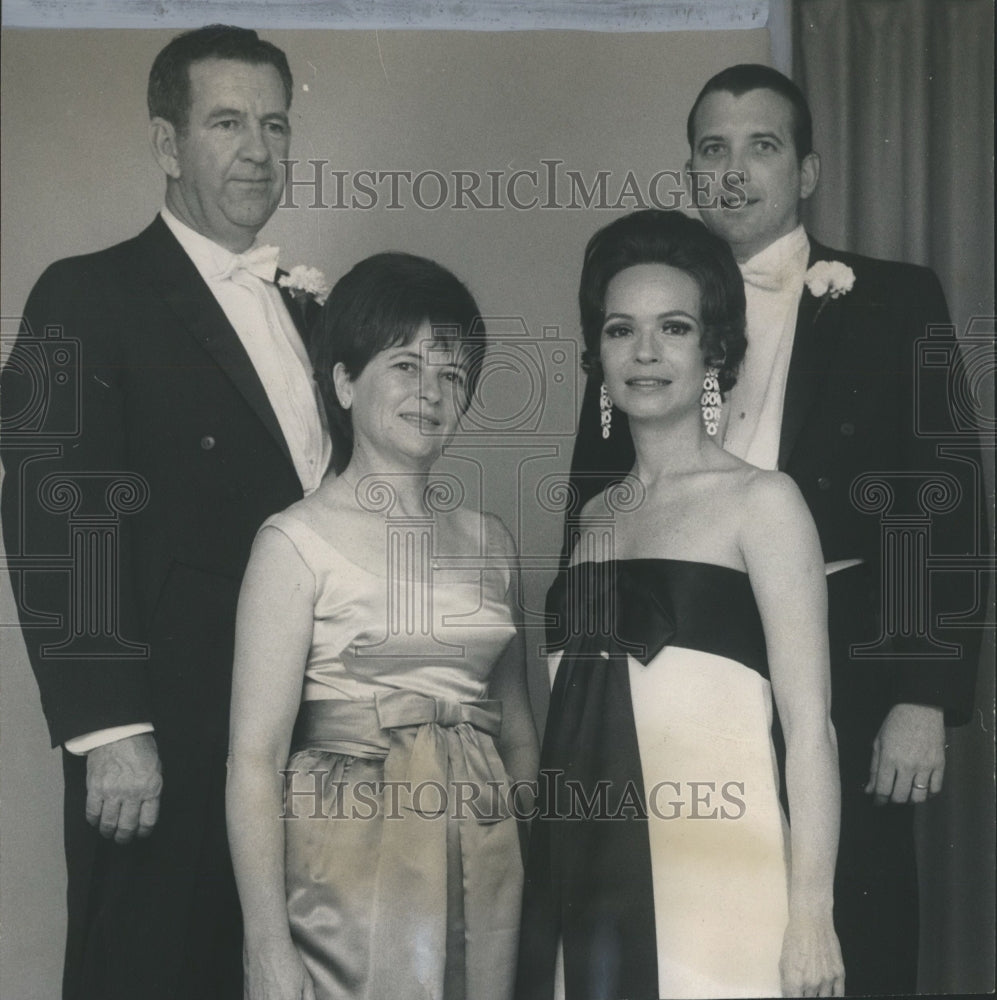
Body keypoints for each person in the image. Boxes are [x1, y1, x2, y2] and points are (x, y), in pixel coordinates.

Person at [566, 65, 983, 995]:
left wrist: (924, 694)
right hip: (674, 641)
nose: (735, 169)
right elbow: (594, 493)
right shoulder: (640, 312)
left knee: (843, 925)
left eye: (761, 146)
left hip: (847, 649)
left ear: (806, 171)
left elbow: (942, 498)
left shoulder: (892, 297)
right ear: (689, 172)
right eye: (713, 149)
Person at [0, 26, 330, 1000]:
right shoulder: (85, 293)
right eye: (226, 122)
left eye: (275, 123)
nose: (258, 149)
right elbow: (56, 513)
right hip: (169, 736)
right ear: (165, 145)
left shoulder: (313, 317)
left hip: (303, 734)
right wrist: (110, 729)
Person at [517, 210, 844, 999]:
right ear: (598, 355)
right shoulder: (591, 519)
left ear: (712, 350)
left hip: (722, 884)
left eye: (673, 327)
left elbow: (810, 731)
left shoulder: (762, 503)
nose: (645, 352)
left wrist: (810, 915)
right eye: (621, 330)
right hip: (585, 880)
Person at [227, 252, 540, 1000]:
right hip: (342, 858)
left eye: (452, 374)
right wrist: (266, 944)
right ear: (343, 382)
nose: (430, 394)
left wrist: (514, 848)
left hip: (481, 851)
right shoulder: (291, 542)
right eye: (404, 366)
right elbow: (253, 757)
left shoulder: (491, 540)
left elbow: (520, 733)